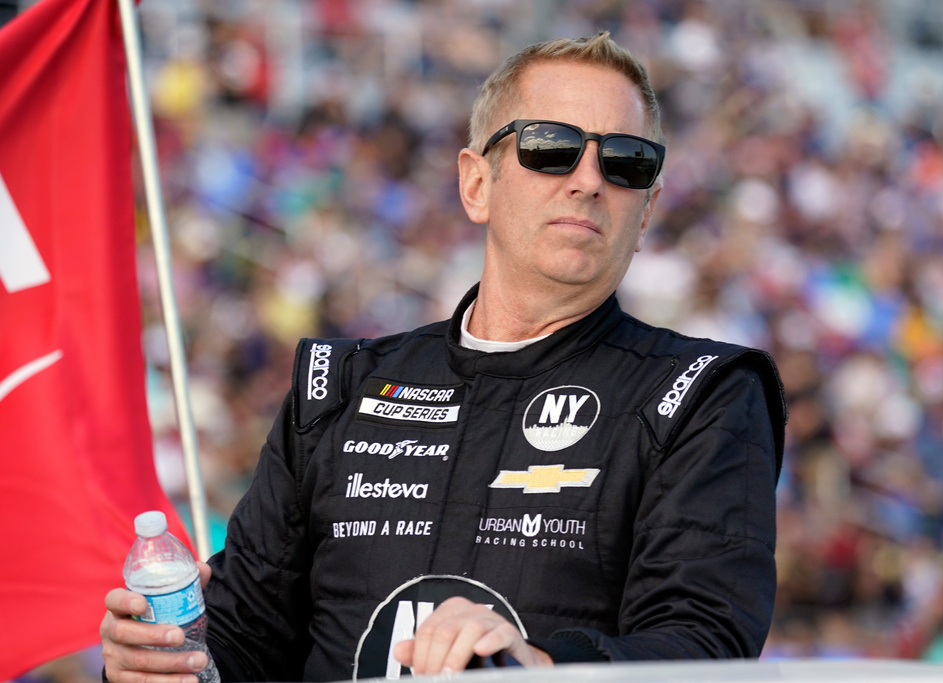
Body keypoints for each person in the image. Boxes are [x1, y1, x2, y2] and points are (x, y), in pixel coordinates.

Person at [101, 32, 787, 681]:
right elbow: (245, 643)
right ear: (476, 184)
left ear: (648, 210)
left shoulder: (704, 393)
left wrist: (543, 665)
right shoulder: (337, 386)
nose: (588, 180)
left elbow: (707, 646)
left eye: (626, 161)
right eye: (550, 147)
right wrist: (154, 660)